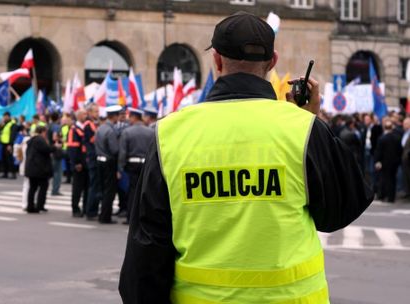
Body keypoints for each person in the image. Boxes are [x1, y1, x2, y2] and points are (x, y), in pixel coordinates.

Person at [119, 12, 373, 304]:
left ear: (216, 60)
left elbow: (146, 253)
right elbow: (340, 210)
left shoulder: (169, 133)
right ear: (272, 62)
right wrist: (311, 123)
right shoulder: (302, 129)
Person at [118, 108, 153, 224]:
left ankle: (130, 218)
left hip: (132, 164)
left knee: (132, 191)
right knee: (145, 191)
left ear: (133, 117)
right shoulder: (150, 131)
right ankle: (143, 218)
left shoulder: (127, 132)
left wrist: (120, 167)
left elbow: (123, 152)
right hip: (146, 164)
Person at [95, 105, 122, 224]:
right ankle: (105, 216)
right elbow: (115, 150)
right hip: (109, 162)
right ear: (114, 116)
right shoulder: (111, 131)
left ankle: (102, 214)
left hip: (100, 160)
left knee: (103, 189)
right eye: (118, 116)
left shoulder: (100, 128)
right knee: (109, 191)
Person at [24, 126, 57, 213]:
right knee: (43, 187)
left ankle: (30, 206)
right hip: (40, 168)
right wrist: (55, 147)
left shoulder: (31, 140)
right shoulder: (39, 139)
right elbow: (47, 150)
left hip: (32, 168)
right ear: (43, 132)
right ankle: (39, 206)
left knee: (33, 188)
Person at [375, 119, 402, 203]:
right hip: (395, 162)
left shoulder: (382, 138)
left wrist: (377, 161)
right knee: (393, 179)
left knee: (386, 179)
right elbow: (400, 150)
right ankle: (392, 197)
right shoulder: (397, 138)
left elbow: (379, 151)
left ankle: (386, 196)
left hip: (385, 162)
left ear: (385, 128)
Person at [68, 109, 89, 218]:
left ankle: (86, 208)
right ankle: (75, 208)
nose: (86, 115)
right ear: (79, 116)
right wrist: (76, 162)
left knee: (87, 187)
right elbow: (72, 148)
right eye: (84, 114)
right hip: (79, 164)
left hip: (87, 163)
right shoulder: (74, 129)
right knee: (77, 188)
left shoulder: (86, 127)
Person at [84, 103, 102, 220]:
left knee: (95, 185)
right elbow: (92, 141)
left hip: (94, 157)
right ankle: (91, 211)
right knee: (94, 186)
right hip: (93, 158)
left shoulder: (94, 124)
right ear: (89, 113)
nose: (98, 113)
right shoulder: (89, 125)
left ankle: (92, 210)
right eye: (95, 111)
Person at [14, 126, 30, 209]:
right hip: (28, 167)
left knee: (26, 185)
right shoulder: (27, 141)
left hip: (24, 166)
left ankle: (25, 203)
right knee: (28, 186)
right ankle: (26, 204)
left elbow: (17, 152)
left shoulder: (22, 140)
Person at [0, 112, 18, 179]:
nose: (4, 118)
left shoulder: (12, 124)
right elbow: (1, 132)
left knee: (9, 159)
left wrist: (10, 144)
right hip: (3, 143)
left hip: (8, 144)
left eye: (6, 116)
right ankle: (5, 173)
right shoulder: (4, 124)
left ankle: (13, 173)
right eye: (4, 117)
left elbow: (13, 135)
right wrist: (1, 125)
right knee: (4, 159)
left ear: (9, 117)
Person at [49, 112, 64, 195]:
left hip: (49, 149)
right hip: (55, 151)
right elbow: (54, 137)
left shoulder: (48, 126)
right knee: (57, 171)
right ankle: (55, 190)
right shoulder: (56, 126)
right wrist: (61, 140)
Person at [401, 117, 410, 198]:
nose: (404, 125)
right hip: (404, 159)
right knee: (406, 176)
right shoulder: (405, 133)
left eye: (406, 124)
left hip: (408, 159)